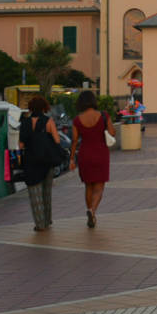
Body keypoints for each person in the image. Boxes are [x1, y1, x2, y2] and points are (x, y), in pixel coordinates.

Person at [68, 90, 115, 228]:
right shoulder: (104, 115)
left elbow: (75, 141)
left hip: (85, 155)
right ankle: (92, 211)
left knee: (88, 185)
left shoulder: (77, 120)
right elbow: (112, 132)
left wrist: (71, 159)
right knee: (99, 187)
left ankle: (90, 214)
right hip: (101, 154)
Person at [18, 96, 62, 232]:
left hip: (31, 161)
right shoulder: (48, 121)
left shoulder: (24, 122)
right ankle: (47, 220)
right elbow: (57, 140)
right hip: (46, 161)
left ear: (31, 107)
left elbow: (20, 145)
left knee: (34, 193)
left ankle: (40, 224)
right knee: (46, 192)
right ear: (44, 107)